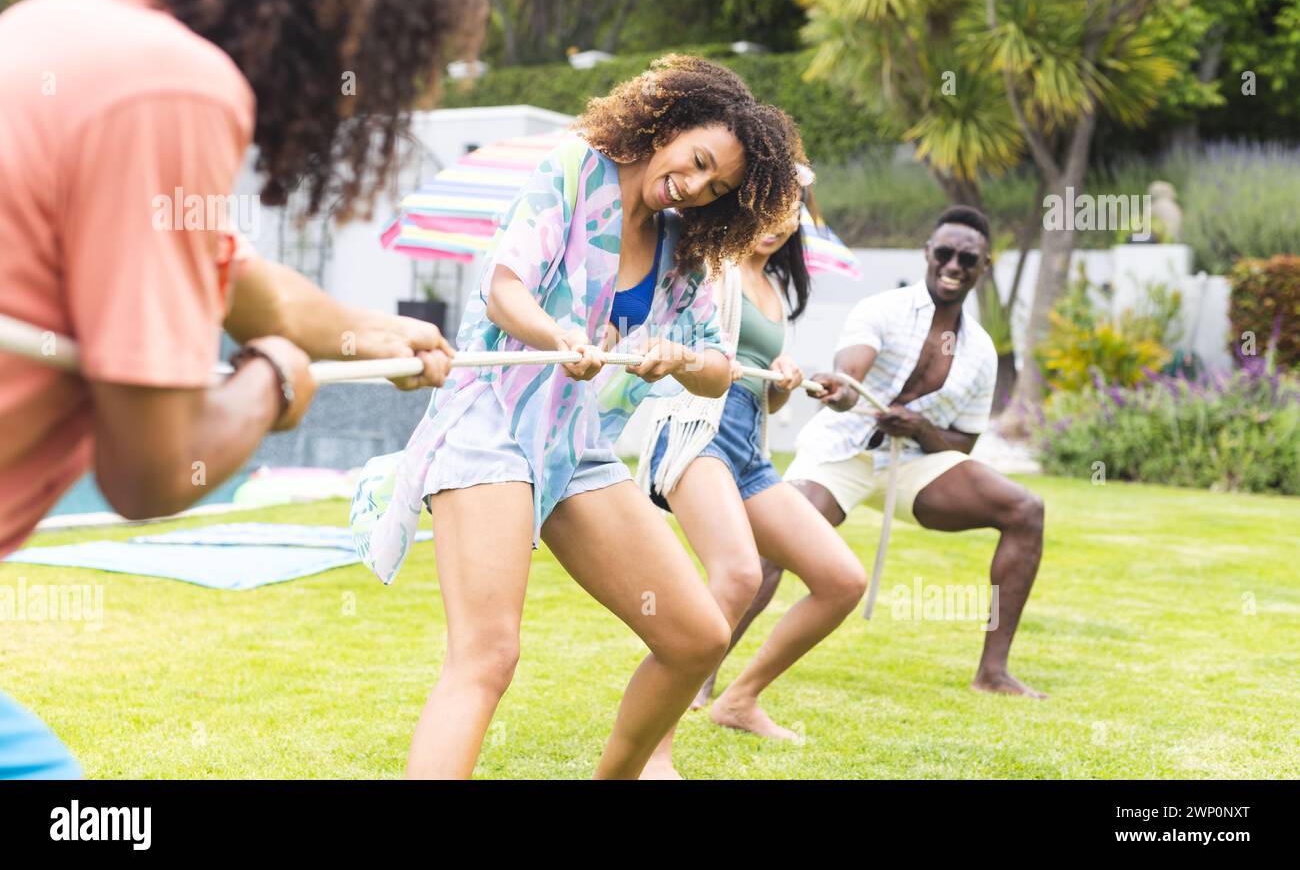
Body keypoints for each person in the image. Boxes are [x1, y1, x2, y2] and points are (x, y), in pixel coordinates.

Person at [0, 0, 486, 777]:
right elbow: (151, 468)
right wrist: (271, 382)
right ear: (341, 3)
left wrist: (372, 333)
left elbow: (244, 283)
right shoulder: (174, 87)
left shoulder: (60, 32)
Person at [351, 55, 809, 779]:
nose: (692, 187)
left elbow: (717, 366)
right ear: (668, 122)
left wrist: (678, 358)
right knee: (488, 654)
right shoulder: (573, 168)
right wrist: (558, 336)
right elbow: (505, 289)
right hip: (490, 422)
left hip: (573, 441)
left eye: (714, 187)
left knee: (696, 635)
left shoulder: (681, 243)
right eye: (696, 162)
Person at [726, 206, 1048, 699]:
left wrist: (920, 427)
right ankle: (703, 676)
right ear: (927, 254)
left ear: (985, 266)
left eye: (968, 258)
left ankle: (992, 673)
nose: (954, 265)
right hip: (844, 447)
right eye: (944, 253)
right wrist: (843, 391)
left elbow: (963, 443)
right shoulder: (882, 310)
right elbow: (850, 377)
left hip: (915, 462)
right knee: (778, 542)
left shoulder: (981, 351)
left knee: (1026, 510)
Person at [635, 180, 867, 778]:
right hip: (694, 430)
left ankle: (738, 699)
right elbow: (682, 341)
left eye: (790, 209)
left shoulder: (773, 290)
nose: (778, 220)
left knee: (841, 579)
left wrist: (782, 387)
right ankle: (653, 752)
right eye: (766, 205)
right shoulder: (713, 266)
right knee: (737, 574)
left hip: (747, 448)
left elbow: (762, 407)